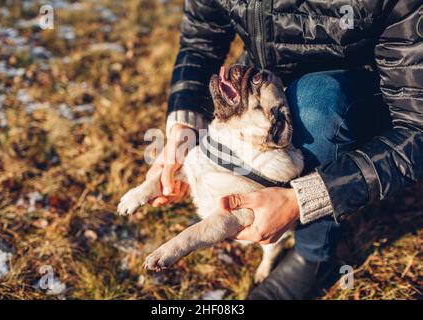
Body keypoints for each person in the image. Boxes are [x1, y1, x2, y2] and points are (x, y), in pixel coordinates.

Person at [146, 0, 423, 299]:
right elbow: (201, 38)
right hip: (264, 83)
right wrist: (184, 127)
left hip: (371, 92)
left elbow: (416, 130)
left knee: (316, 105)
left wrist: (302, 199)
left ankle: (315, 255)